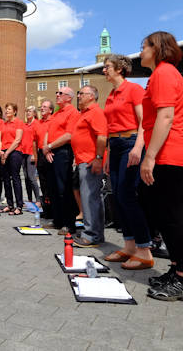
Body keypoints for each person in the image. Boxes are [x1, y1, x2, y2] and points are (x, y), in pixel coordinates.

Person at [138, 31, 183, 302]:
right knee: (161, 214)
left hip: (170, 153)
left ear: (158, 48)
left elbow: (165, 116)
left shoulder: (163, 73)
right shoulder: (161, 74)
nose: (140, 52)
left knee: (172, 216)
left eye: (144, 47)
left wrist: (149, 157)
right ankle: (176, 270)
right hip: (166, 152)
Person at [100, 54, 156, 269]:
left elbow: (144, 121)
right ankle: (130, 247)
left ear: (120, 68)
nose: (104, 70)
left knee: (128, 196)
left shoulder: (133, 90)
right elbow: (109, 127)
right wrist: (107, 155)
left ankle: (144, 251)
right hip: (115, 146)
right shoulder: (112, 94)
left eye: (107, 67)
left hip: (131, 142)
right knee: (118, 197)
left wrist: (138, 147)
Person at [70, 85, 107, 248]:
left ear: (91, 96)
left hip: (90, 161)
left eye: (81, 94)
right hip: (83, 160)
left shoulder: (96, 112)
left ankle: (91, 235)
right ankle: (95, 234)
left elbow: (101, 136)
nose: (78, 96)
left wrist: (98, 158)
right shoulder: (84, 114)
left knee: (90, 198)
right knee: (91, 198)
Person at [41, 86, 79, 235]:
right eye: (56, 92)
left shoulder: (72, 112)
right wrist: (46, 149)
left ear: (69, 97)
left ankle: (69, 224)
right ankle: (57, 220)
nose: (57, 95)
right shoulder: (57, 113)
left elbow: (69, 135)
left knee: (64, 189)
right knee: (53, 188)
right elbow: (48, 132)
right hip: (50, 152)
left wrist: (49, 146)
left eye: (60, 93)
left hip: (63, 152)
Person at [0, 103, 25, 215]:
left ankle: (19, 206)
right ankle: (10, 205)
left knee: (15, 178)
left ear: (14, 111)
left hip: (15, 152)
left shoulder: (19, 122)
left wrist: (7, 152)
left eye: (9, 109)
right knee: (5, 179)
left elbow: (17, 140)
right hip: (4, 152)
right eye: (6, 109)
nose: (6, 111)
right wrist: (0, 151)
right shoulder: (3, 124)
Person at [34, 100, 54, 218]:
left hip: (51, 153)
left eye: (45, 107)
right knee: (43, 183)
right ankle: (46, 210)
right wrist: (36, 157)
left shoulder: (54, 121)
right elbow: (35, 141)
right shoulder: (38, 123)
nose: (42, 109)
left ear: (50, 110)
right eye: (41, 107)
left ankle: (53, 210)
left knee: (51, 183)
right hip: (41, 154)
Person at [21, 106, 42, 207]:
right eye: (26, 111)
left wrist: (35, 154)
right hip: (23, 153)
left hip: (31, 153)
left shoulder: (37, 124)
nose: (28, 113)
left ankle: (38, 200)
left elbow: (38, 140)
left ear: (34, 113)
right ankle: (29, 199)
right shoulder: (24, 125)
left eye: (30, 111)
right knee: (26, 177)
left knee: (31, 177)